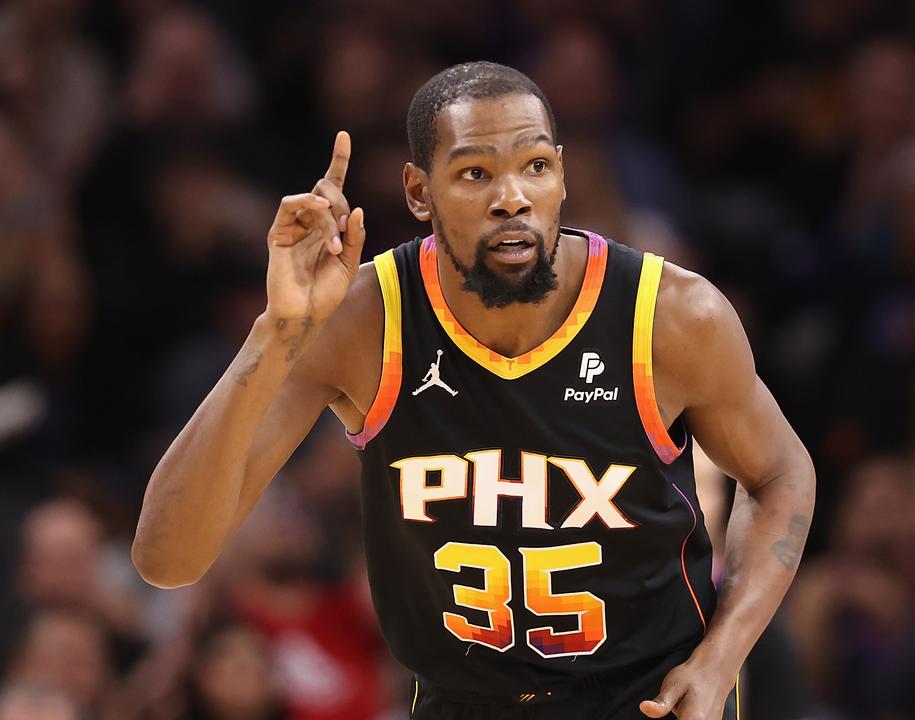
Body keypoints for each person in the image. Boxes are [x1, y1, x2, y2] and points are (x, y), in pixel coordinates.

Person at [131, 61, 815, 719]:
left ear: (562, 177)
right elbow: (168, 559)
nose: (511, 196)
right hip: (457, 702)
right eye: (475, 172)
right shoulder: (362, 321)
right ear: (418, 192)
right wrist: (277, 332)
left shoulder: (670, 316)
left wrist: (722, 657)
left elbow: (782, 473)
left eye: (535, 167)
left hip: (644, 696)